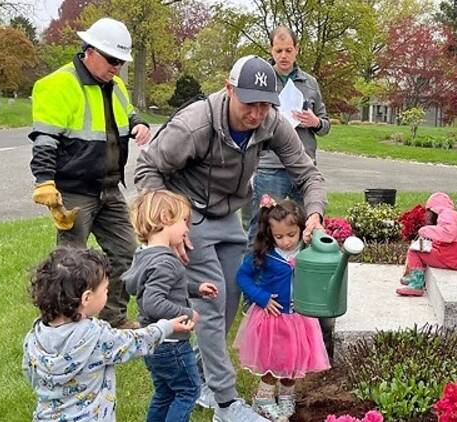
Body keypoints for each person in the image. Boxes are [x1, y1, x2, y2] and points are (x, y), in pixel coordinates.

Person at [134, 55, 326, 421]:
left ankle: (202, 376)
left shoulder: (271, 124)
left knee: (229, 303)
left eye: (264, 105)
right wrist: (168, 226)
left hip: (229, 217)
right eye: (248, 103)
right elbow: (147, 168)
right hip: (188, 218)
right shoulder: (196, 123)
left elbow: (308, 174)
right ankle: (226, 403)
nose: (256, 114)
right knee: (211, 303)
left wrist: (314, 212)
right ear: (229, 89)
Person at [28, 17, 151, 329]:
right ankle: (65, 327)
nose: (117, 68)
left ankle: (113, 318)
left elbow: (128, 112)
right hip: (75, 192)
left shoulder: (116, 84)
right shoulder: (59, 84)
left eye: (121, 62)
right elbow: (45, 139)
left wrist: (139, 123)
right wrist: (44, 180)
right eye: (112, 60)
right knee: (69, 266)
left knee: (126, 254)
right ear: (90, 51)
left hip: (110, 188)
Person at [244, 26, 335, 363]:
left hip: (302, 163)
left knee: (304, 229)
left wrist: (315, 121)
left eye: (288, 50)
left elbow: (326, 123)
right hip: (270, 165)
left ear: (297, 50)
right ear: (271, 50)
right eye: (278, 50)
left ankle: (302, 290)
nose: (283, 56)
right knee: (262, 228)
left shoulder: (309, 83)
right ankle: (255, 290)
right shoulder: (264, 82)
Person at [23, 246, 194, 422]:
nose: (108, 293)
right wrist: (166, 327)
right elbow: (136, 341)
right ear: (87, 298)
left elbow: (31, 374)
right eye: (105, 290)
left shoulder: (34, 337)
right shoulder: (96, 336)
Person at [123, 190, 220, 422]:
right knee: (188, 391)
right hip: (171, 343)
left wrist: (195, 289)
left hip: (152, 341)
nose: (188, 229)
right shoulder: (166, 261)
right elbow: (153, 301)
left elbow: (161, 287)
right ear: (165, 219)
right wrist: (188, 314)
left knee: (165, 392)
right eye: (184, 221)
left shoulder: (145, 255)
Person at [234, 195, 330, 420]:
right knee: (274, 361)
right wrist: (262, 297)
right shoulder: (265, 255)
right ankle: (264, 399)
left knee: (294, 360)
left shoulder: (306, 250)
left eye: (291, 235)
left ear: (300, 229)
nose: (286, 241)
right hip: (273, 318)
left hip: (299, 317)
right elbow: (243, 277)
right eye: (278, 236)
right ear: (269, 234)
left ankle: (287, 396)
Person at [396, 192, 457, 296]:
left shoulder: (445, 215)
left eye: (429, 211)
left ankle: (416, 284)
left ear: (434, 209)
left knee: (415, 252)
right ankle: (414, 276)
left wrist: (426, 230)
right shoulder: (453, 215)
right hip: (454, 257)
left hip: (448, 258)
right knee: (424, 250)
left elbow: (448, 235)